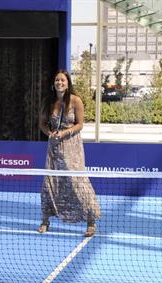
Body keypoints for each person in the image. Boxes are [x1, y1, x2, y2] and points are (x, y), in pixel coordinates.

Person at [37, 70, 100, 237]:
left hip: (72, 146)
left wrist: (65, 133)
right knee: (50, 182)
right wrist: (49, 133)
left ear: (68, 82)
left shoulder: (75, 100)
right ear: (54, 83)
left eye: (62, 80)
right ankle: (45, 220)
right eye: (57, 80)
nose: (59, 83)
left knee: (77, 181)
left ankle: (91, 221)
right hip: (54, 147)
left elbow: (80, 124)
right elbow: (42, 123)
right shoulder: (48, 102)